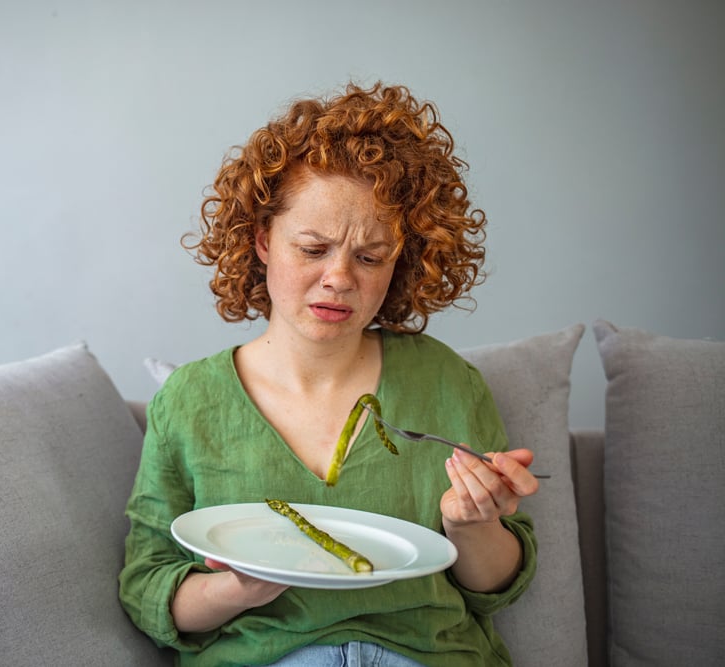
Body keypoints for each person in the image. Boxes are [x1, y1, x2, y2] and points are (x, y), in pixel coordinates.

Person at [118, 82, 540, 667]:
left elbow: (496, 586)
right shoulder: (189, 401)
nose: (340, 278)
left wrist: (471, 524)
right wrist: (239, 589)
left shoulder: (447, 381)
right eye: (313, 249)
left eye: (370, 257)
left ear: (400, 262)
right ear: (263, 240)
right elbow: (150, 589)